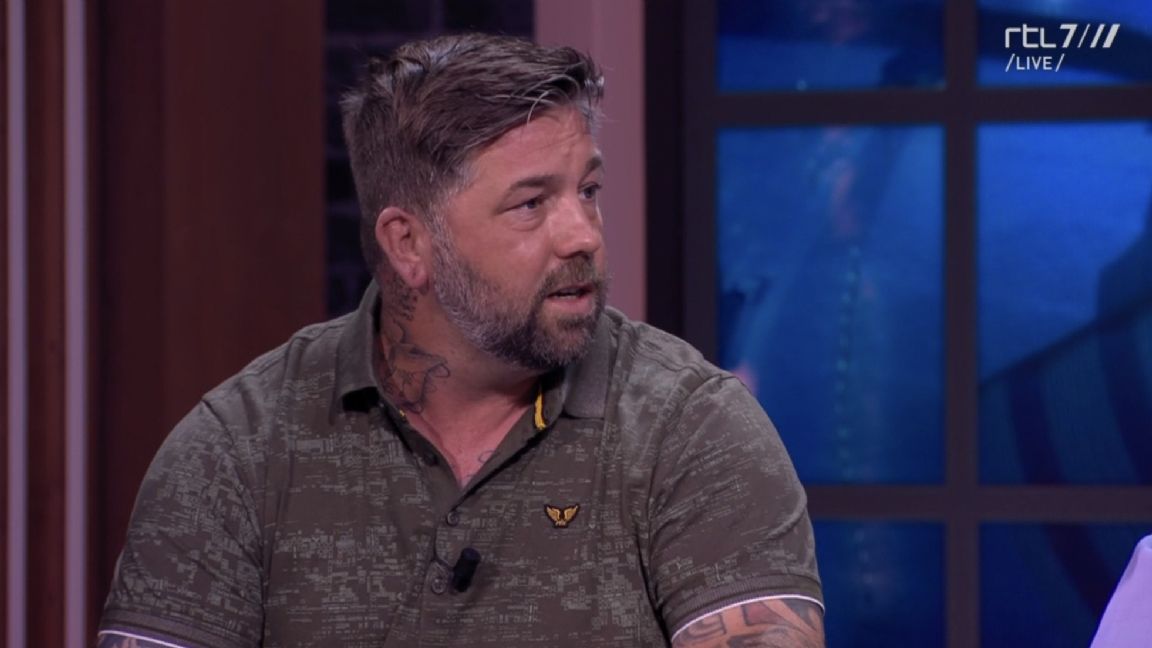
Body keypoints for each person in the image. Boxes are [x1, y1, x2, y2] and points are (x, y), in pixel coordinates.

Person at [98, 33, 824, 647]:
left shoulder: (691, 428)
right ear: (409, 244)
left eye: (588, 191)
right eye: (531, 203)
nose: (582, 234)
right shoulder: (240, 447)